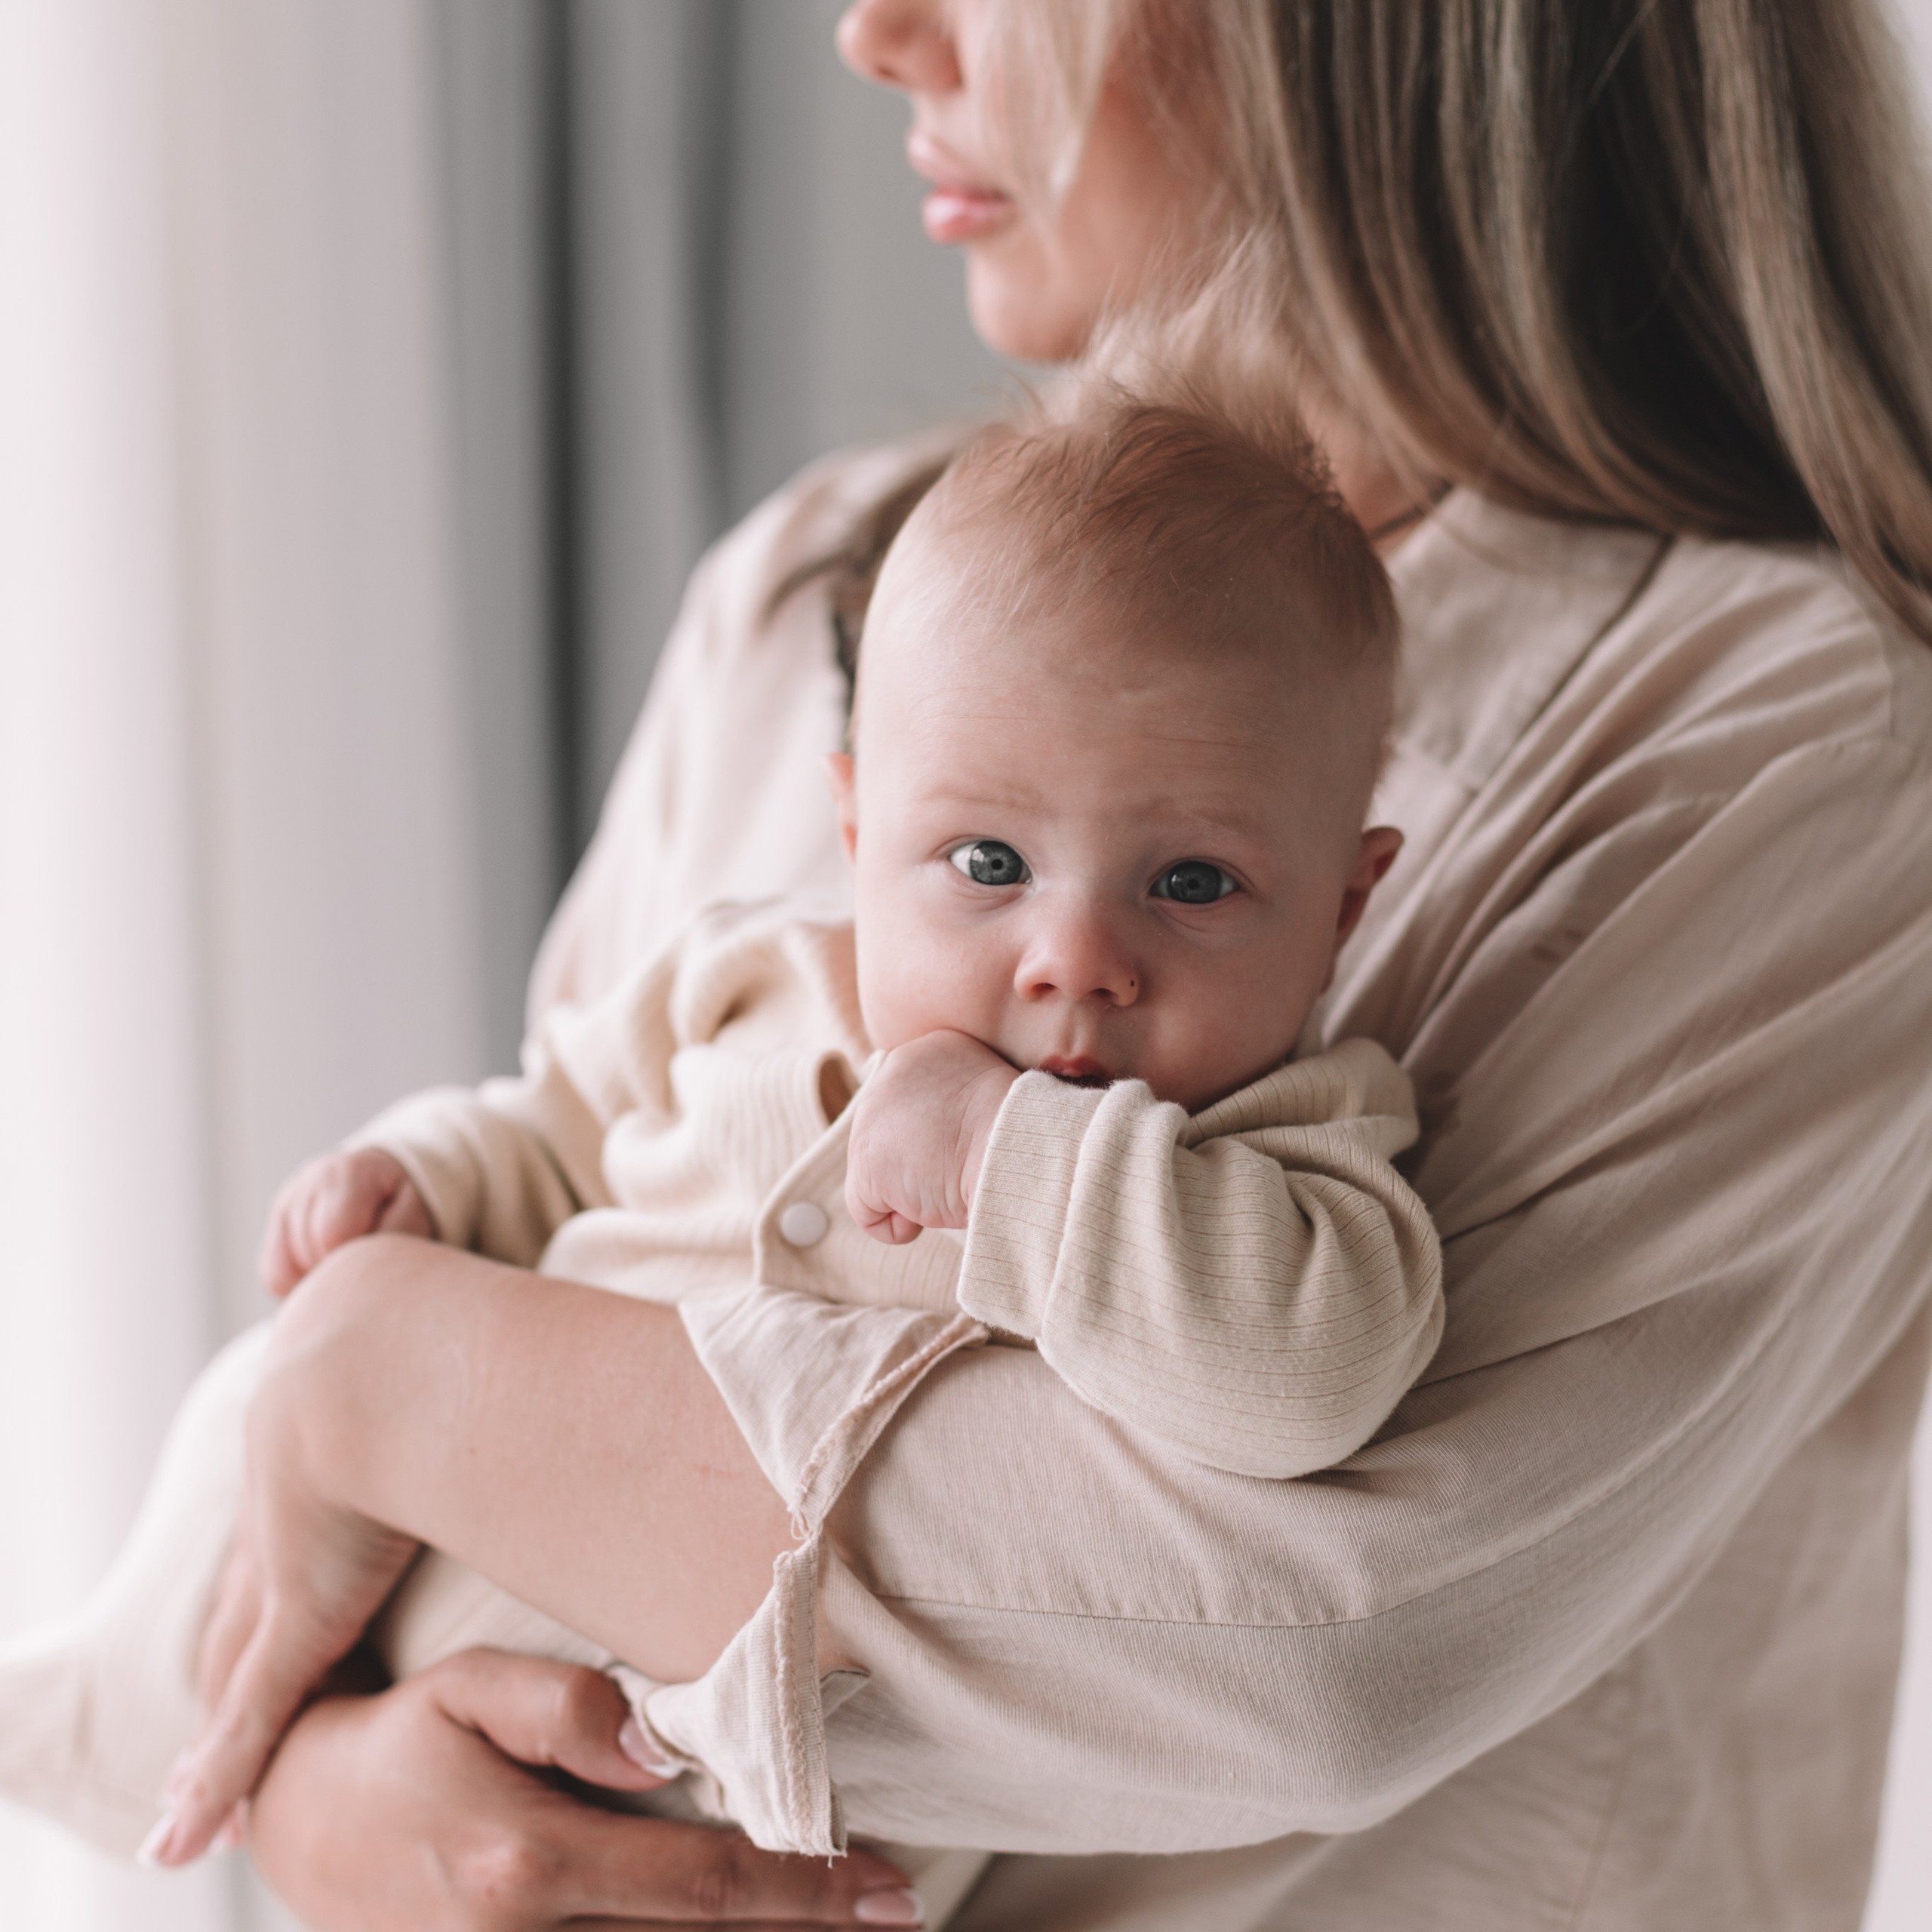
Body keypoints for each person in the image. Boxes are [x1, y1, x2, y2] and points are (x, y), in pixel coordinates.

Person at [145, 0, 1932, 1926]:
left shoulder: (1799, 721)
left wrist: (394, 1383)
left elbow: (1299, 1635)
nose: (877, 34)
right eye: (978, 862)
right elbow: (377, 1393)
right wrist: (319, 1788)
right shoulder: (818, 584)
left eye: (1195, 882)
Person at [0, 390, 1447, 1928]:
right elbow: (554, 1132)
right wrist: (426, 1178)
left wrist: (1008, 1153)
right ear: (855, 829)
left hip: (705, 1825)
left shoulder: (1275, 1146)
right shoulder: (746, 981)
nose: (1072, 959)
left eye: (1193, 881)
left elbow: (1313, 1367)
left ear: (1342, 909)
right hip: (399, 1586)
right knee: (244, 1419)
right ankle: (111, 1721)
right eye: (987, 863)